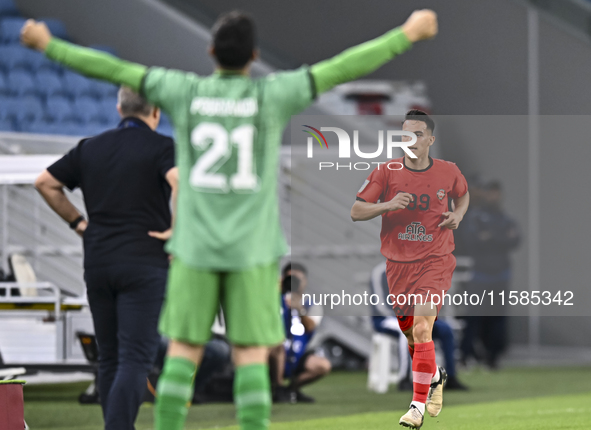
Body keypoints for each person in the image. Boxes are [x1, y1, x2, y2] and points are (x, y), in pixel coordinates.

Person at [21, 9, 438, 430]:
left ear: (210, 52)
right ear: (254, 56)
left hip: (196, 249)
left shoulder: (184, 91)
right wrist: (407, 33)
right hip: (251, 251)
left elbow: (110, 68)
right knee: (252, 355)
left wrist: (47, 45)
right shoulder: (273, 94)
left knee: (182, 353)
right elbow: (342, 67)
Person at [34, 88, 177, 430]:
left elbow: (45, 183)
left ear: (119, 109)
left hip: (98, 261)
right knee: (135, 358)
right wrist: (179, 230)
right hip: (144, 262)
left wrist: (79, 224)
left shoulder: (90, 147)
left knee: (109, 357)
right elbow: (181, 181)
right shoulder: (162, 147)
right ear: (155, 111)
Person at [351, 110, 469, 429]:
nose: (410, 140)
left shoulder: (448, 171)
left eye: (417, 134)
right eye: (405, 135)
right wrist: (387, 205)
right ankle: (434, 376)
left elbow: (463, 195)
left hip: (436, 260)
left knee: (421, 329)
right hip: (399, 266)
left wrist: (457, 214)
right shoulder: (385, 172)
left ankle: (415, 408)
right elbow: (356, 211)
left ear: (430, 139)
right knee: (413, 338)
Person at [370, 262, 468, 392]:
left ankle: (451, 377)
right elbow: (380, 306)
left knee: (446, 329)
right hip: (386, 319)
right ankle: (404, 379)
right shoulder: (381, 272)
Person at [458, 181, 519, 369]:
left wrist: (491, 236)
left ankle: (493, 357)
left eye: (496, 193)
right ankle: (466, 355)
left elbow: (515, 240)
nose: (494, 196)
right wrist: (501, 237)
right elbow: (472, 241)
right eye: (490, 193)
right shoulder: (475, 217)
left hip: (501, 275)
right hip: (480, 274)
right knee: (474, 317)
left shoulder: (505, 217)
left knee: (497, 318)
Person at [270, 262, 330, 403]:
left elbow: (310, 327)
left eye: (298, 279)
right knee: (277, 347)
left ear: (305, 281)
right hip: (273, 354)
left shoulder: (311, 304)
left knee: (323, 365)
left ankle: (291, 389)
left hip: (297, 355)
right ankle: (277, 388)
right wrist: (276, 293)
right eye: (290, 279)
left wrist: (299, 309)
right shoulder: (274, 299)